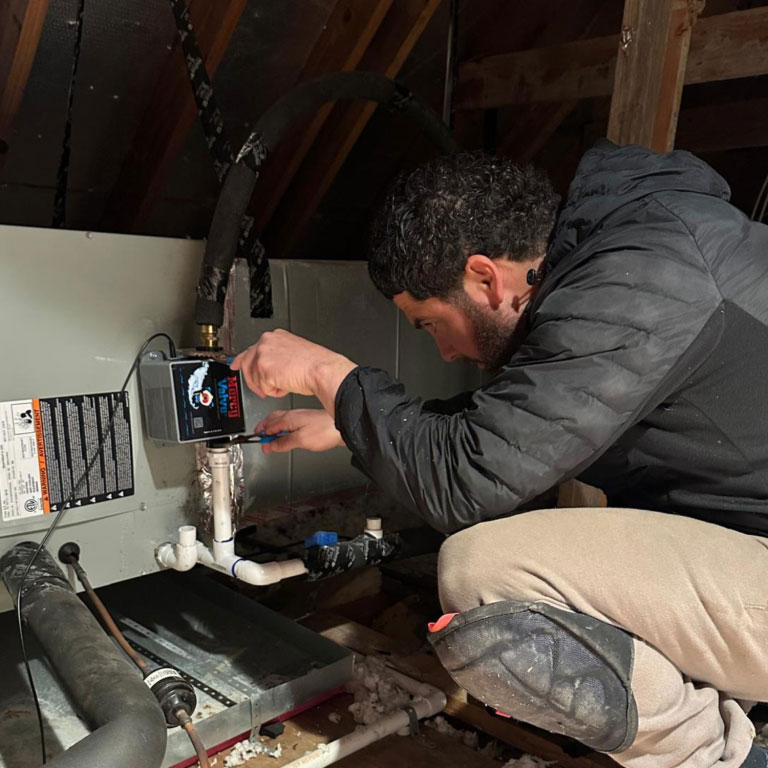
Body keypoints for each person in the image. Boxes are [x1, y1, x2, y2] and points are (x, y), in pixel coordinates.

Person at [231, 141, 768, 768]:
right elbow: (521, 424)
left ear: (485, 277)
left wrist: (329, 375)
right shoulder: (629, 251)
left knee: (484, 577)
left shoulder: (641, 278)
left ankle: (720, 759)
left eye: (430, 324)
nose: (445, 353)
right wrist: (351, 424)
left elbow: (470, 479)